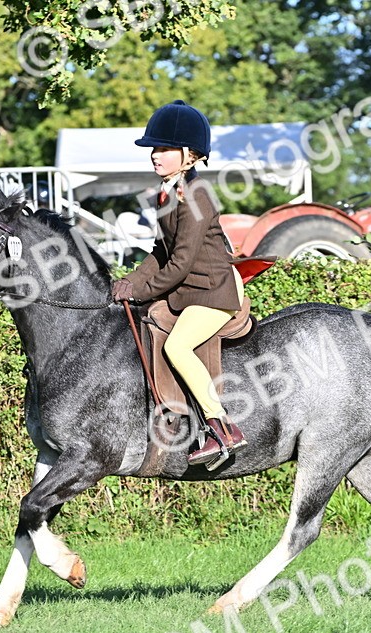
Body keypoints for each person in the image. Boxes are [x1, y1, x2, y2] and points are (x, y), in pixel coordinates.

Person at [110, 100, 249, 466]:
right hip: (192, 289)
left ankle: (223, 429)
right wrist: (130, 281)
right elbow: (160, 252)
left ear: (189, 155)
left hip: (213, 291)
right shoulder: (168, 192)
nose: (155, 156)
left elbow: (181, 263)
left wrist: (142, 290)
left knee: (178, 348)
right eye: (155, 149)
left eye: (164, 149)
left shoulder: (198, 194)